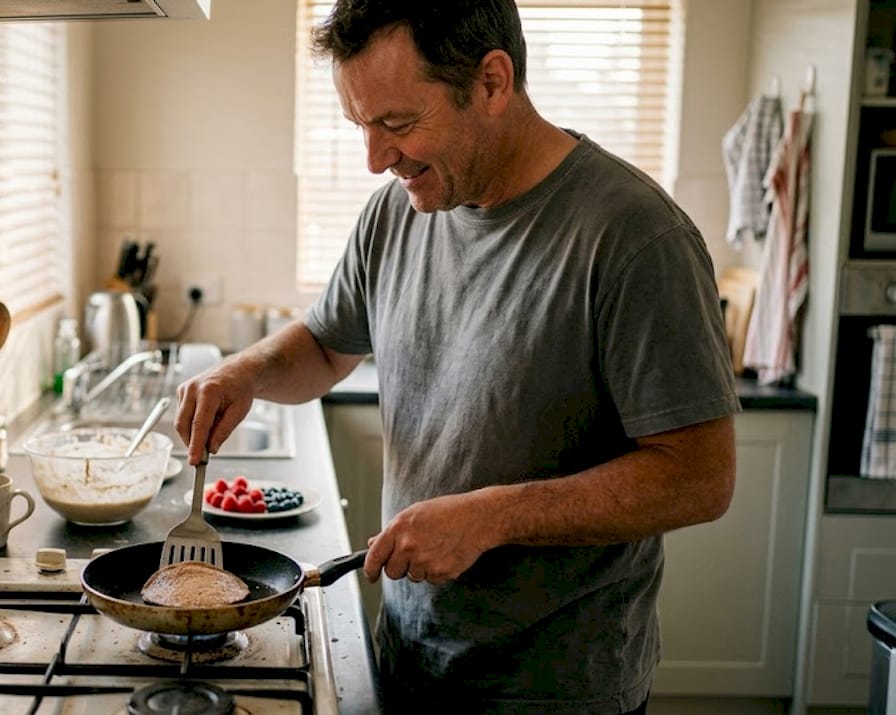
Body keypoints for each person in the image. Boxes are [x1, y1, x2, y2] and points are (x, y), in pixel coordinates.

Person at [174, 1, 739, 712]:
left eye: (398, 124)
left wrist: (492, 516)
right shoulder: (397, 212)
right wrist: (245, 370)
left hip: (554, 690)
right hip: (408, 659)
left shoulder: (633, 236)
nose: (377, 159)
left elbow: (701, 476)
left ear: (493, 83)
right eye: (362, 126)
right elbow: (324, 343)